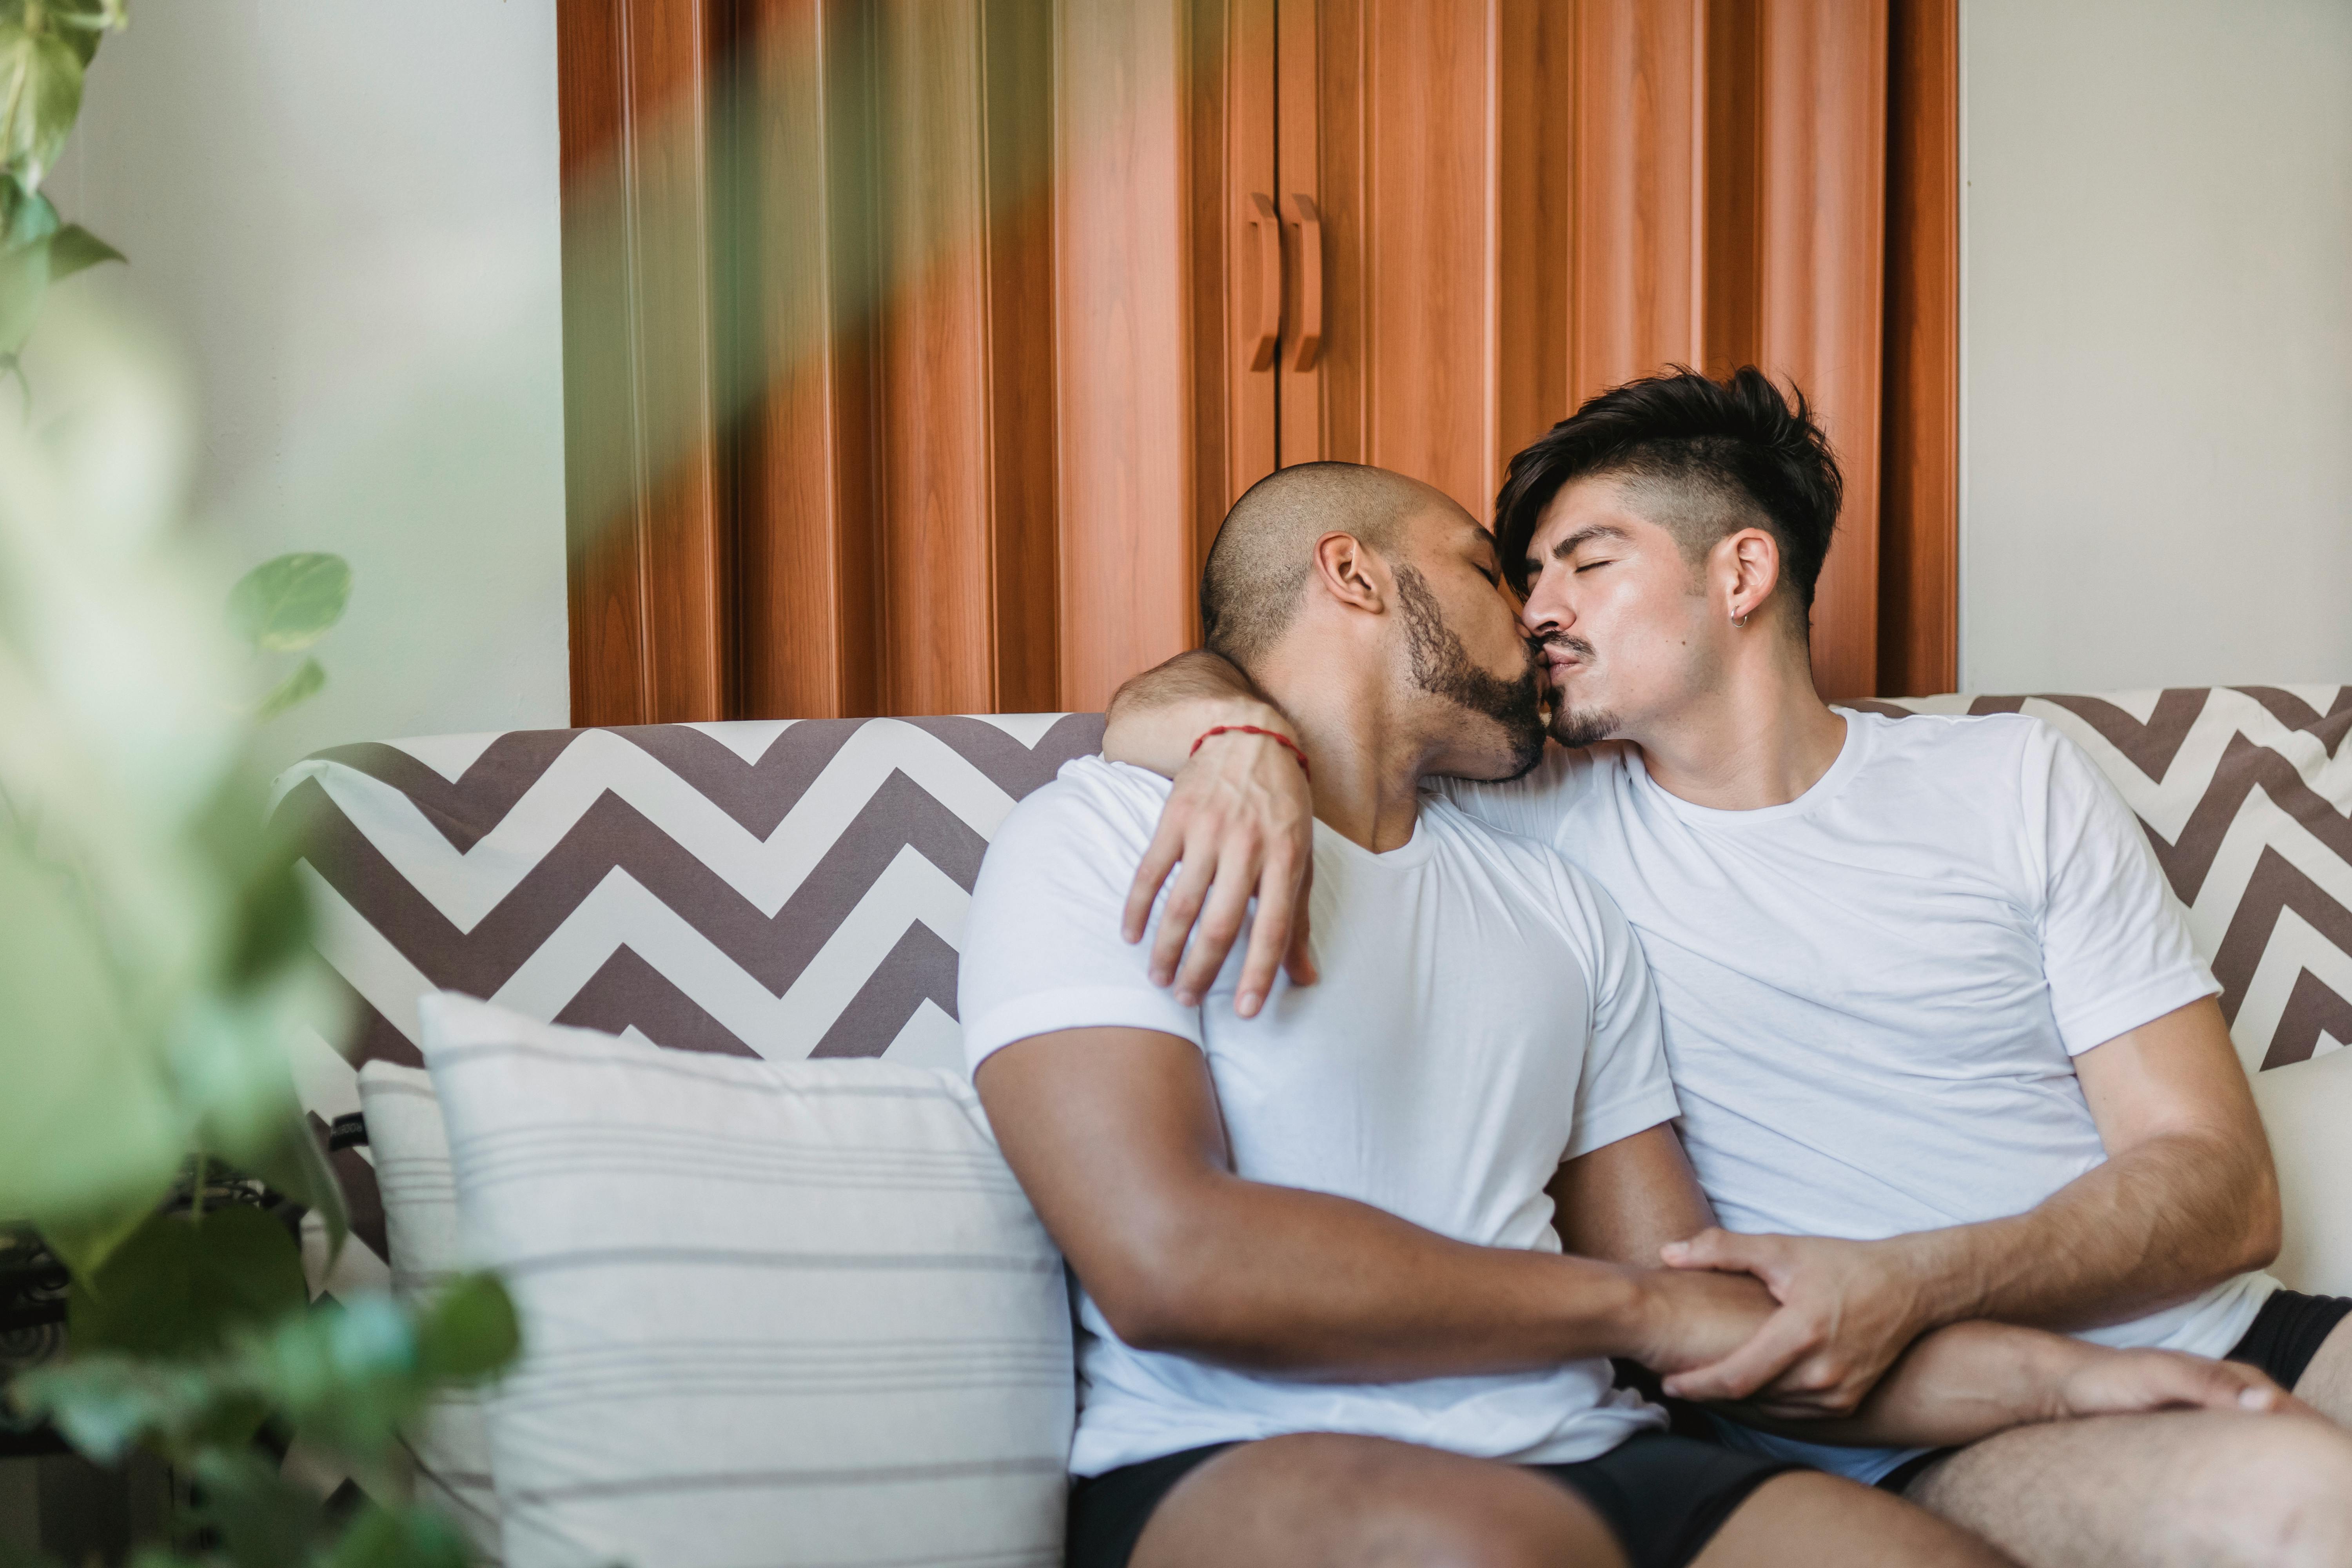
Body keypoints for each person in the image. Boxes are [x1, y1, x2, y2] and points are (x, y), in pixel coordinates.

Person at [1098, 372, 2352, 1568]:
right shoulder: (1522, 819)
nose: (1537, 611)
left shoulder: (2012, 779)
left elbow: (2226, 1190)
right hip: (1910, 1427)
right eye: (1522, 574)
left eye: (1585, 563)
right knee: (2308, 1510)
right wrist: (1234, 739)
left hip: (2243, 1326)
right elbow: (1243, 677)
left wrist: (1922, 1273)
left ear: (1743, 570)